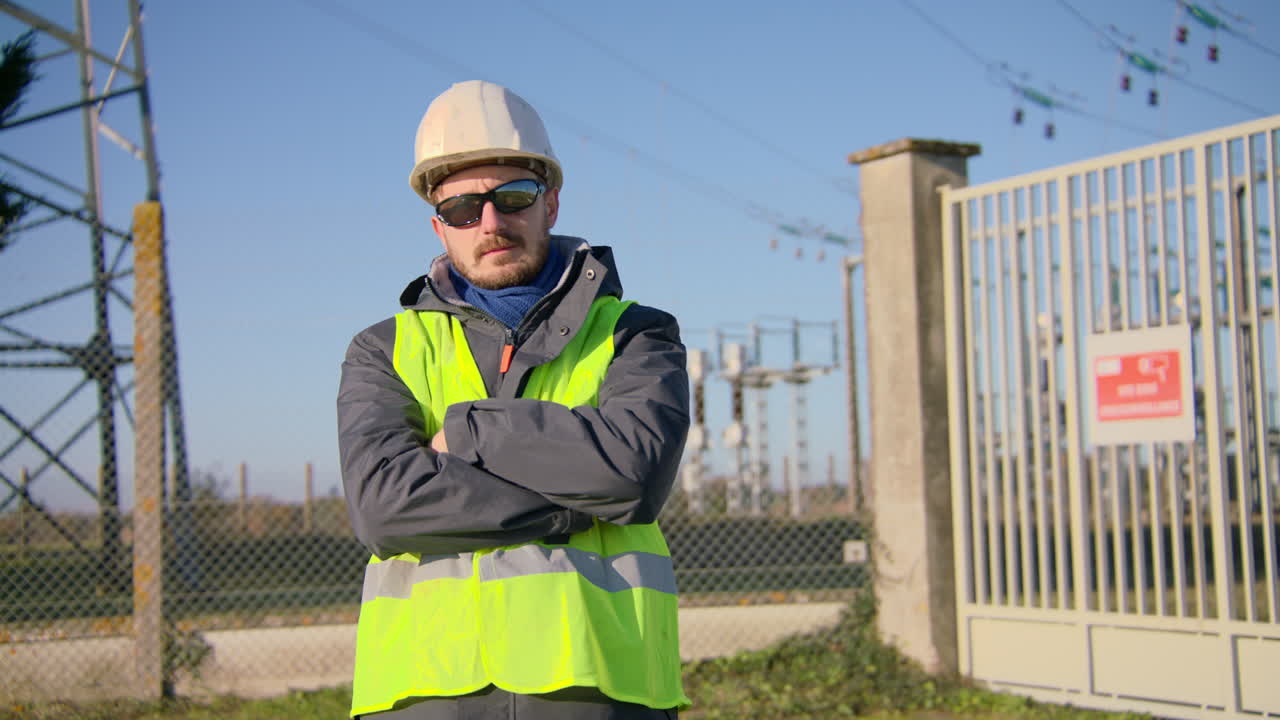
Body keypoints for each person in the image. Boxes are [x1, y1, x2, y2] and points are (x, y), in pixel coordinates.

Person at [337, 80, 691, 720]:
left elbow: (634, 477)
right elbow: (384, 509)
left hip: (598, 687)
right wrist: (575, 504)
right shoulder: (382, 349)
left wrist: (469, 431)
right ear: (439, 226)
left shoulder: (635, 333)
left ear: (551, 203)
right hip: (427, 692)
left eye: (514, 197)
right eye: (465, 210)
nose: (492, 223)